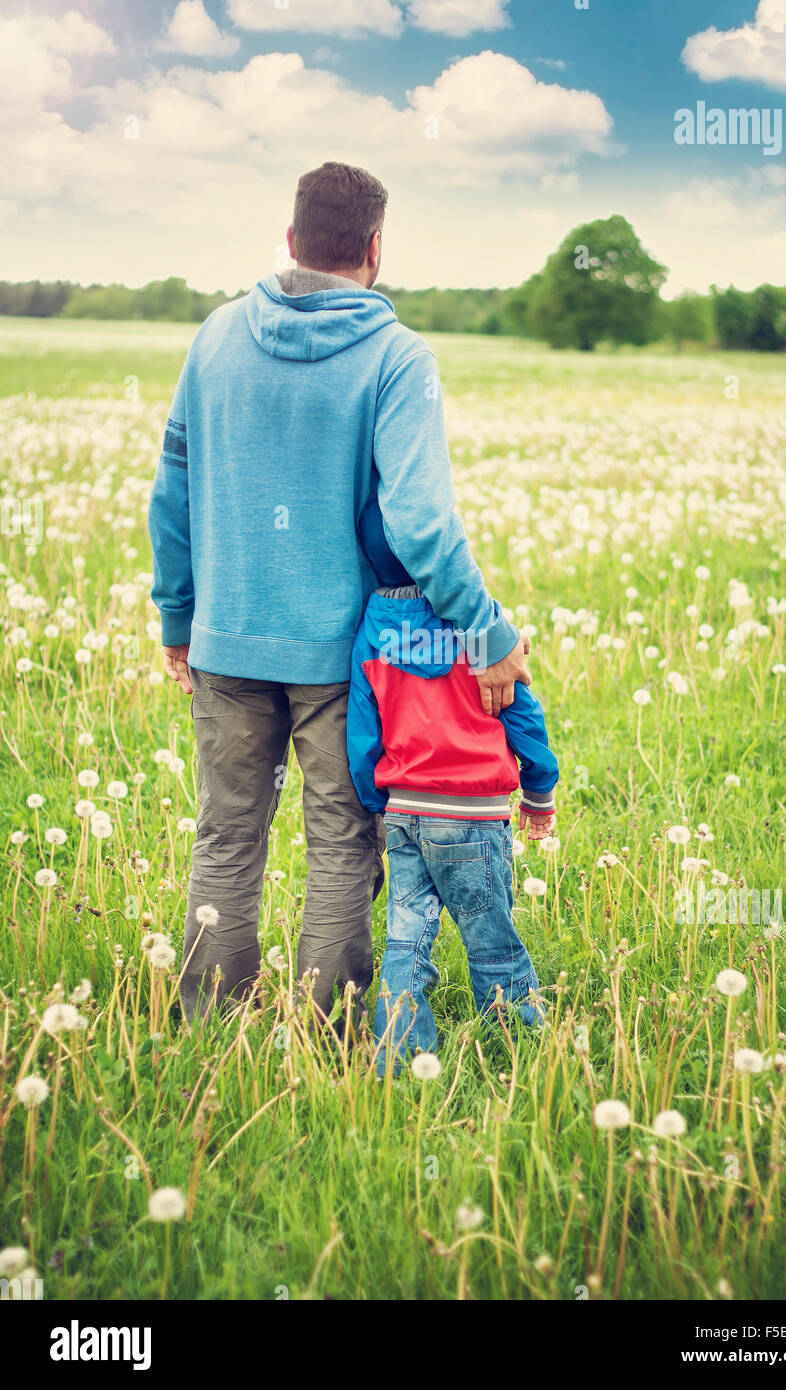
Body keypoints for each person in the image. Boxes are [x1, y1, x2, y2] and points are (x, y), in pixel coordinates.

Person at [147, 161, 531, 1023]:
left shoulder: (214, 336)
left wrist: (179, 616)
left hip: (227, 642)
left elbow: (170, 494)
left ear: (290, 241)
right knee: (342, 848)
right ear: (375, 249)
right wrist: (487, 628)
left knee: (226, 836)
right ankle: (329, 1033)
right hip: (340, 659)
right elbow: (423, 524)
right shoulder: (398, 358)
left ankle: (208, 1023)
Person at [347, 502, 559, 1071]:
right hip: (474, 814)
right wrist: (539, 791)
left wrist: (375, 801)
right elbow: (525, 718)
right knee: (490, 934)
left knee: (406, 941)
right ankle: (517, 1045)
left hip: (405, 814)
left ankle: (396, 1054)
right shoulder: (480, 624)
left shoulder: (370, 632)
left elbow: (363, 730)